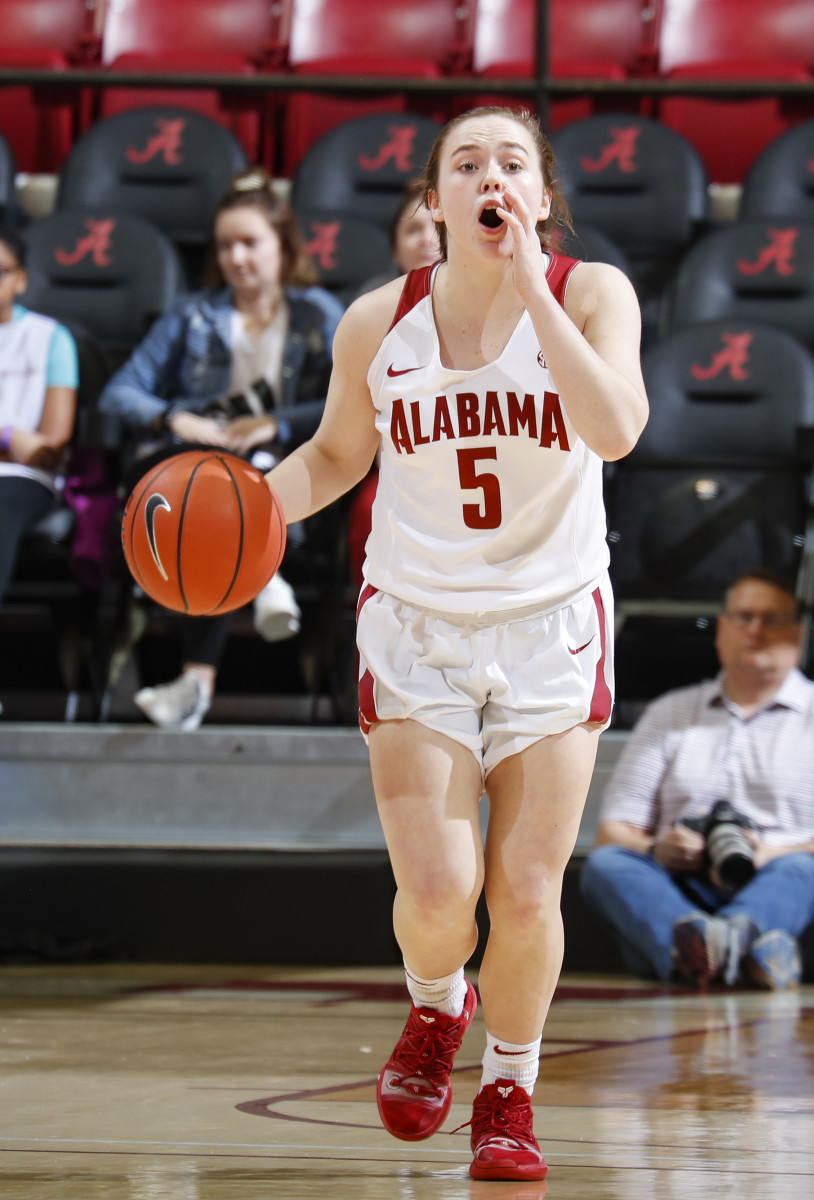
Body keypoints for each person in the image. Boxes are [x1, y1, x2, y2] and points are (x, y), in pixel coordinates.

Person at [262, 107, 648, 1181]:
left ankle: (509, 1090)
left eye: (512, 164)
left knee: (525, 892)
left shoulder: (592, 293)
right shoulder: (376, 321)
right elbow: (335, 455)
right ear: (435, 201)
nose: (492, 178)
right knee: (439, 897)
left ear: (541, 196)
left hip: (550, 621)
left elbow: (618, 430)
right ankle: (438, 1005)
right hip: (417, 621)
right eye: (467, 164)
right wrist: (247, 514)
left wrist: (531, 287)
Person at [99, 169, 344, 731]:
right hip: (194, 460)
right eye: (225, 245)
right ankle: (265, 579)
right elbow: (120, 393)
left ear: (283, 246)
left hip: (272, 461)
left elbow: (353, 399)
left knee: (222, 504)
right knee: (206, 497)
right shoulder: (193, 313)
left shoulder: (317, 312)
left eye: (250, 243)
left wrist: (277, 423)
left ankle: (196, 682)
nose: (236, 257)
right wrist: (174, 416)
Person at [581, 567, 814, 993]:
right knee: (607, 865)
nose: (756, 630)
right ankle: (749, 954)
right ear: (721, 629)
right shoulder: (670, 713)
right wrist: (658, 848)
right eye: (744, 617)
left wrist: (770, 853)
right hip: (678, 888)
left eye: (772, 619)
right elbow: (612, 832)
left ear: (798, 633)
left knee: (803, 868)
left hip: (777, 884)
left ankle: (699, 951)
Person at [347, 180, 442, 589]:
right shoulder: (371, 311)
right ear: (393, 249)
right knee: (371, 507)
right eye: (412, 230)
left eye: (436, 227)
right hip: (396, 463)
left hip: (475, 460)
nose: (427, 239)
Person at [0, 228, 78, 711]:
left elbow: (48, 448)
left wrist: (19, 444)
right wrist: (10, 436)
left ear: (21, 279)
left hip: (23, 482)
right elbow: (24, 443)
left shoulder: (50, 338)